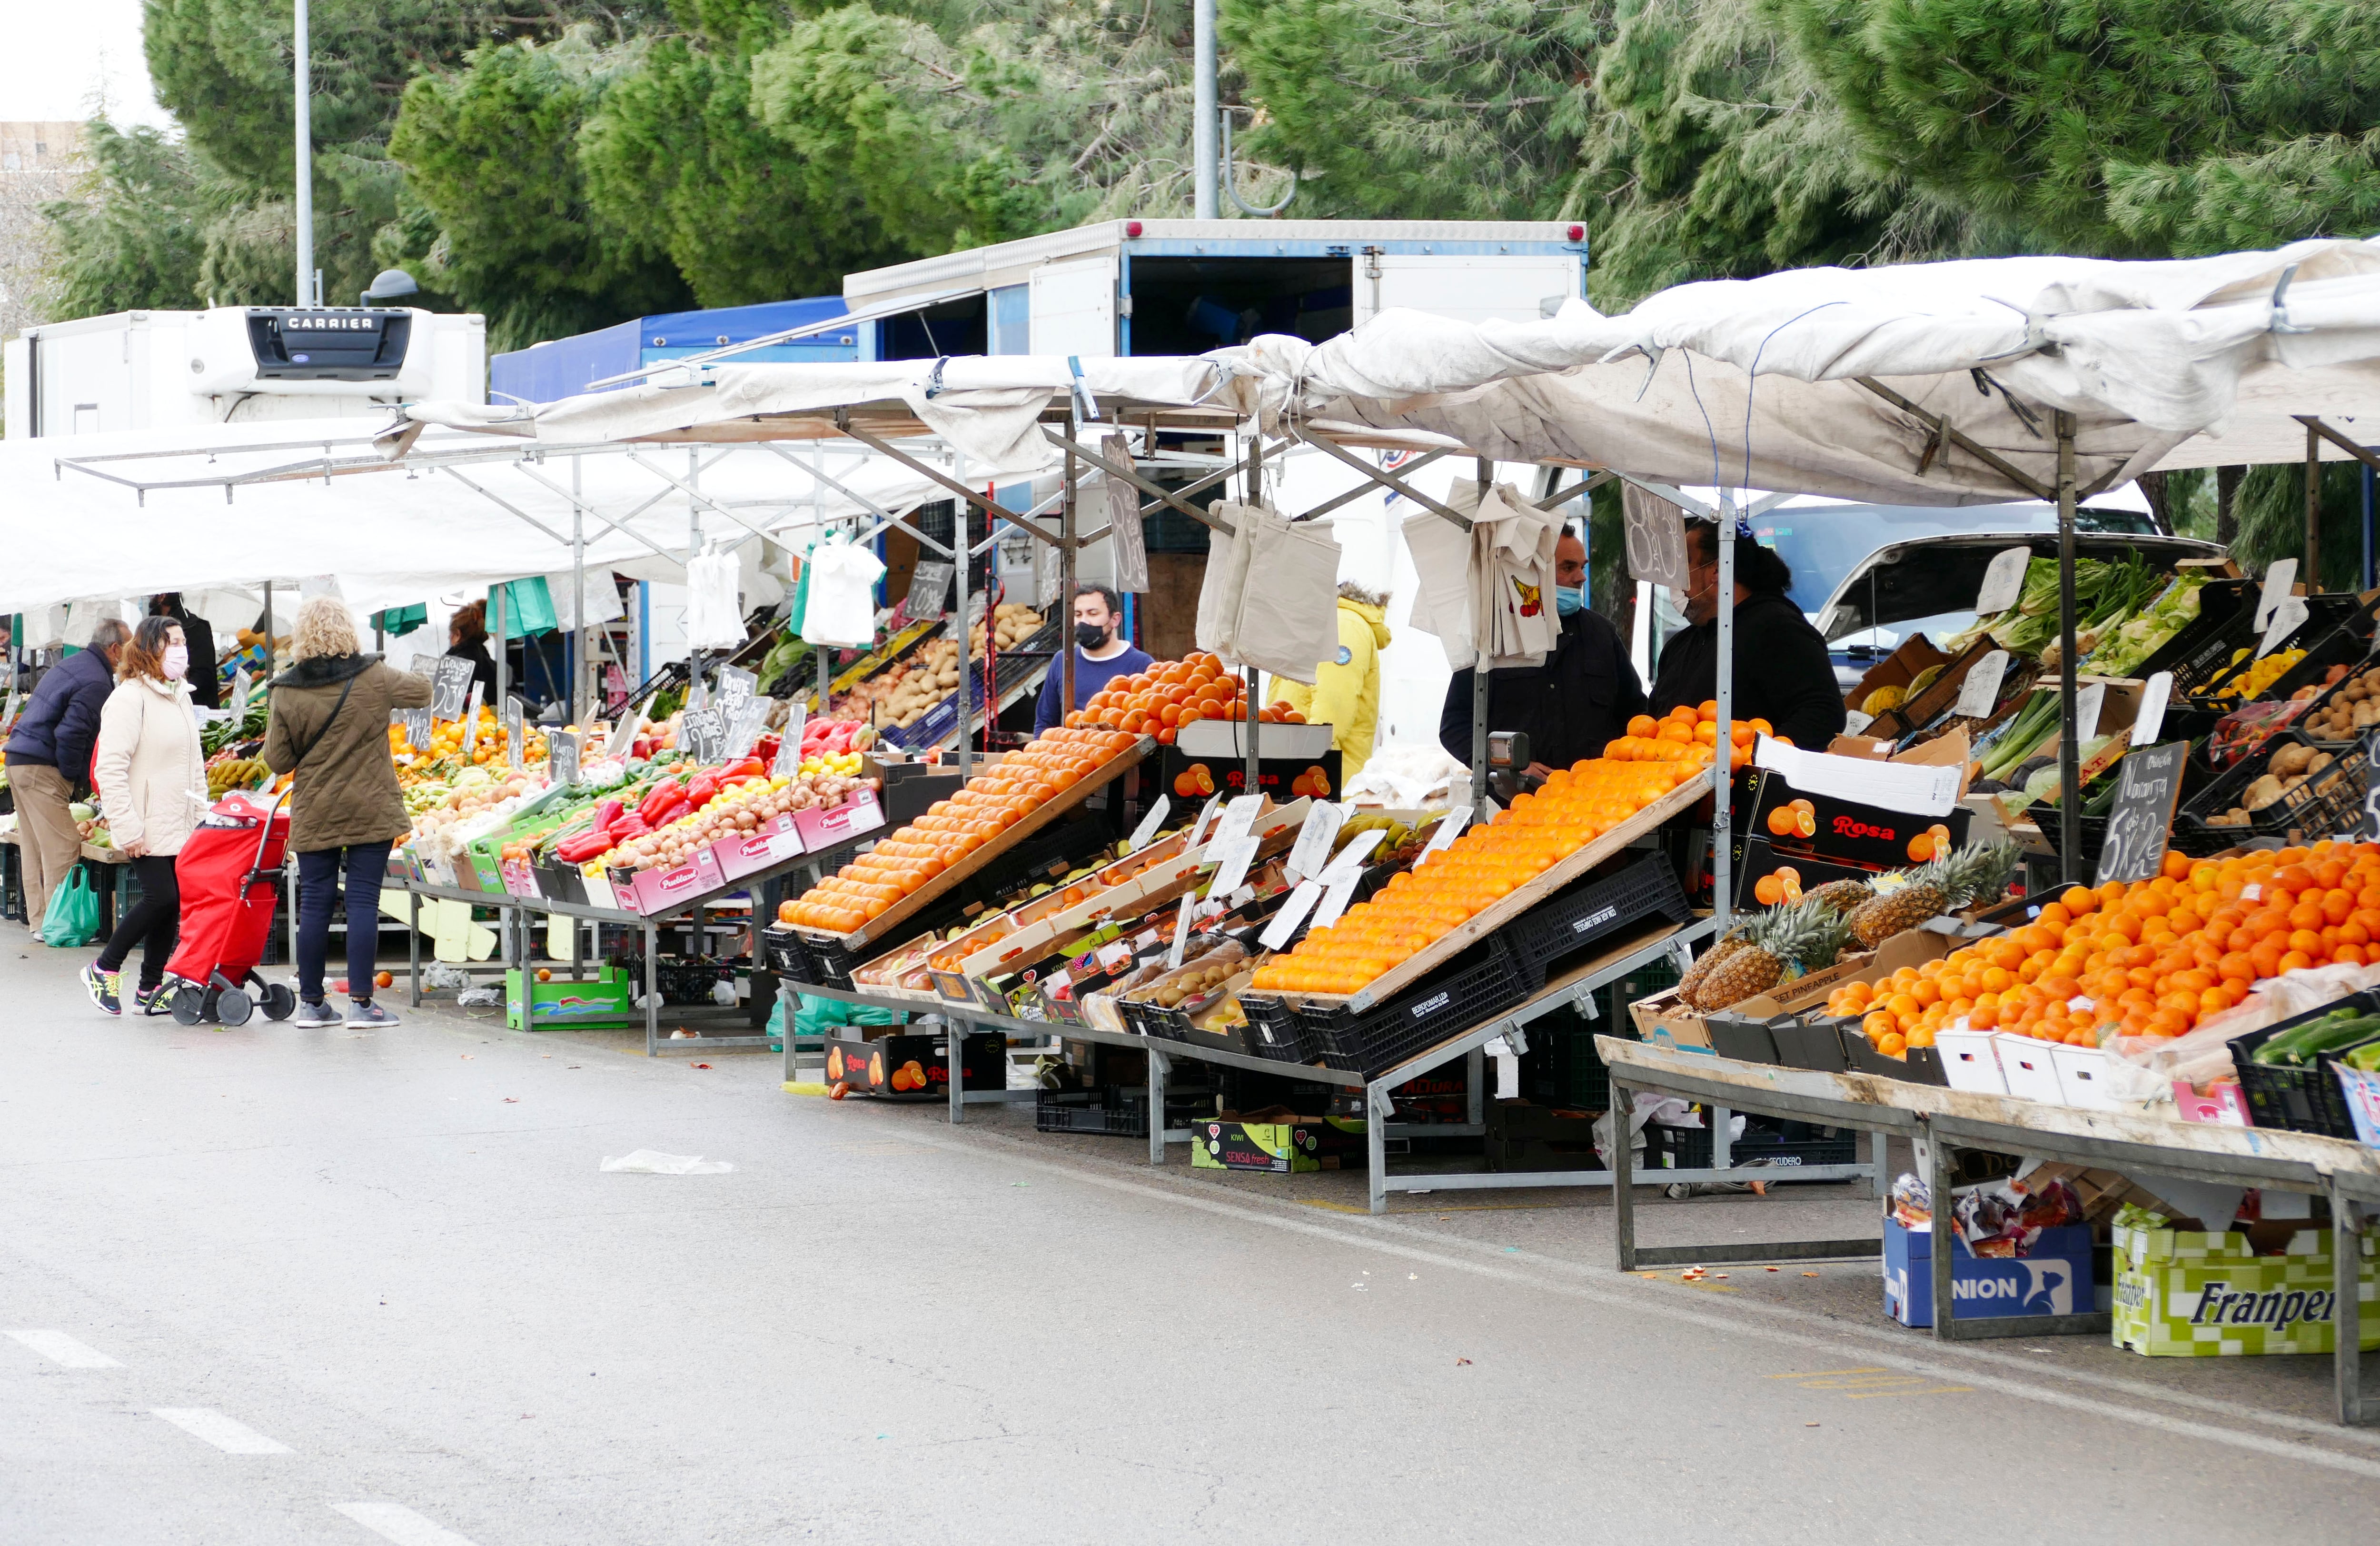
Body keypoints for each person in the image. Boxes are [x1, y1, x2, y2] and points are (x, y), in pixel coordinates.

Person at [263, 597, 432, 1029]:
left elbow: (278, 761)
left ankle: (313, 1005)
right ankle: (361, 1004)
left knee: (315, 903)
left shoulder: (285, 690)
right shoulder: (374, 676)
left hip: (317, 809)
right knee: (362, 901)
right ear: (348, 632)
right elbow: (423, 690)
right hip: (369, 806)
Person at [1438, 528, 1646, 777]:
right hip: (1515, 802)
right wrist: (1511, 764)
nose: (1582, 578)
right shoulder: (1494, 636)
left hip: (1595, 802)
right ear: (1533, 572)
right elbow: (1456, 726)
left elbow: (1636, 715)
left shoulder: (1602, 635)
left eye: (1583, 567)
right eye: (1568, 568)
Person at [82, 615, 206, 1016]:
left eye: (183, 641)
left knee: (172, 902)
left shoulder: (181, 695)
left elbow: (196, 764)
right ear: (151, 647)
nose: (181, 649)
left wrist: (203, 814)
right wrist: (128, 825)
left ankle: (150, 987)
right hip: (146, 820)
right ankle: (104, 967)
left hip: (181, 820)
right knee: (161, 896)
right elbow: (110, 769)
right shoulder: (128, 698)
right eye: (173, 641)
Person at [1650, 522, 1845, 751]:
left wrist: (1750, 759)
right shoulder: (1680, 645)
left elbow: (1822, 714)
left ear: (1717, 570)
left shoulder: (1778, 628)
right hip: (1665, 780)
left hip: (1740, 783)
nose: (1678, 581)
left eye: (1685, 566)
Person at [4, 618, 130, 932]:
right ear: (115, 650)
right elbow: (73, 734)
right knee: (63, 844)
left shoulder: (76, 664)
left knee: (33, 845)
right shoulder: (97, 682)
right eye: (128, 648)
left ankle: (41, 922)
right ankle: (60, 926)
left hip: (20, 758)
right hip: (42, 765)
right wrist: (74, 777)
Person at [1265, 582, 1393, 783]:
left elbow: (1334, 702)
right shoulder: (1325, 624)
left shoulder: (1345, 624)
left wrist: (1314, 764)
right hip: (1305, 773)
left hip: (1323, 779)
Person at [1032, 584, 1153, 734]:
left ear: (1115, 620)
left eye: (1093, 614)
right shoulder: (1063, 661)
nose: (1084, 622)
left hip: (1120, 750)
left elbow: (1151, 724)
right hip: (1072, 754)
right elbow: (1045, 723)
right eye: (1078, 615)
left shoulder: (1141, 664)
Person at [150, 594, 220, 711]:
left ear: (162, 596)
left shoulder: (196, 628)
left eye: (183, 642)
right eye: (175, 643)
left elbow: (203, 676)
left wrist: (178, 692)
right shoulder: (153, 629)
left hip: (195, 707)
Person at [446, 599, 500, 706]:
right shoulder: (495, 667)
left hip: (459, 722)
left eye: (451, 633)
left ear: (457, 634)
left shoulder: (452, 664)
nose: (449, 637)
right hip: (489, 721)